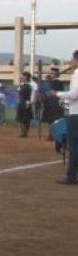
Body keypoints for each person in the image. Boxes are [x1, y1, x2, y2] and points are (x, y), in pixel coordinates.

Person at [54, 51, 78, 184]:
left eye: (72, 59)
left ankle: (71, 176)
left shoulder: (77, 74)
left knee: (74, 147)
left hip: (76, 114)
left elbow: (74, 95)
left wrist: (57, 93)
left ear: (76, 59)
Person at [16, 73, 34, 138]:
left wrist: (28, 103)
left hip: (25, 103)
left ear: (26, 77)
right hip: (21, 103)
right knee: (21, 119)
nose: (21, 78)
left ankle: (24, 132)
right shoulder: (22, 85)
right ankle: (23, 132)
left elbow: (29, 96)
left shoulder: (28, 86)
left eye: (22, 77)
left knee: (26, 119)